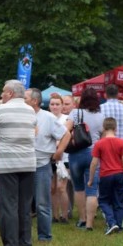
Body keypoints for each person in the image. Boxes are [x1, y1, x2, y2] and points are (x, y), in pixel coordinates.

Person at [0, 80, 37, 246]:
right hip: (28, 163)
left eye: (4, 92)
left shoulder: (0, 109)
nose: (2, 94)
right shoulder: (30, 111)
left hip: (7, 165)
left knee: (8, 206)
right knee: (24, 206)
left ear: (10, 93)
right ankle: (25, 244)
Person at [25, 88, 69, 242]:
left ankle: (44, 236)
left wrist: (59, 152)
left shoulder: (47, 117)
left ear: (34, 101)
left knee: (42, 203)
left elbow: (66, 134)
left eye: (25, 98)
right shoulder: (21, 116)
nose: (21, 101)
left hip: (41, 165)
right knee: (24, 204)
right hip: (23, 165)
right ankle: (24, 236)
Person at [66, 87, 106, 231]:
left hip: (76, 154)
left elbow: (66, 130)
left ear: (82, 99)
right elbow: (103, 138)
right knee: (92, 190)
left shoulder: (75, 113)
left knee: (78, 188)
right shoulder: (101, 116)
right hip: (93, 155)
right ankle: (90, 223)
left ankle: (82, 219)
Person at [88, 117, 123, 235]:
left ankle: (111, 222)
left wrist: (91, 179)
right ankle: (119, 225)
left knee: (104, 200)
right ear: (115, 128)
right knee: (118, 201)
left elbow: (94, 163)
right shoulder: (121, 142)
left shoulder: (99, 144)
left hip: (106, 175)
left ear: (103, 128)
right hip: (120, 174)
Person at [48, 93, 71, 223]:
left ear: (62, 106)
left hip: (64, 157)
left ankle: (65, 215)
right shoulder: (47, 117)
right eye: (52, 104)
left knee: (61, 187)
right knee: (52, 188)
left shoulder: (66, 119)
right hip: (49, 157)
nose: (55, 106)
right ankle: (55, 216)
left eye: (57, 104)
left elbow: (66, 137)